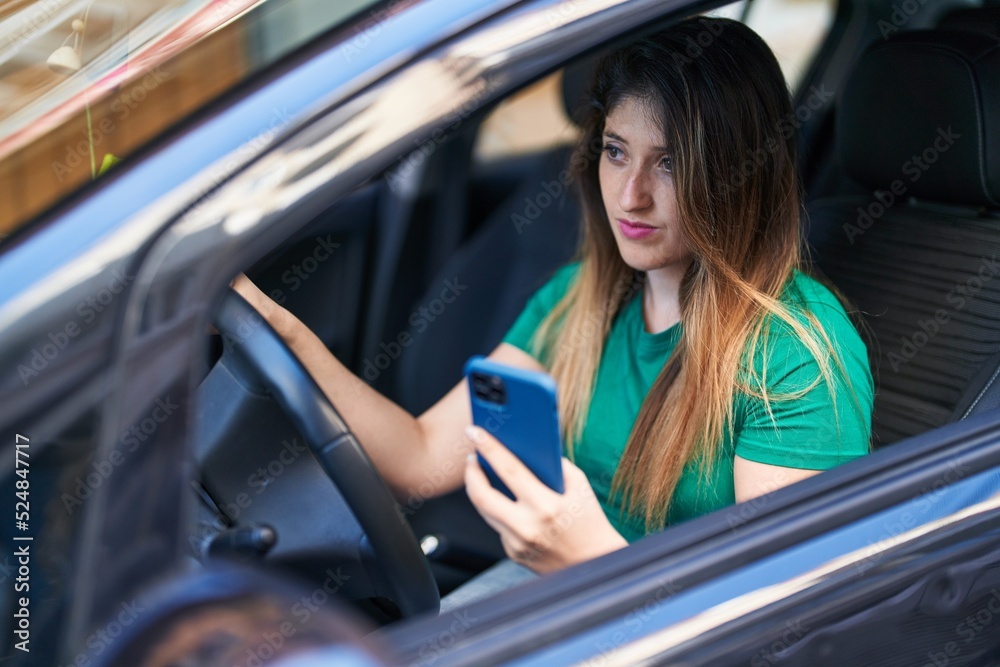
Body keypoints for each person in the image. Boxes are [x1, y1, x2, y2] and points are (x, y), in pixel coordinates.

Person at [234, 16, 873, 594]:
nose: (631, 196)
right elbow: (422, 458)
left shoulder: (798, 354)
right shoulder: (577, 300)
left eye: (671, 163)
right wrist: (288, 337)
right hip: (559, 597)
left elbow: (781, 620)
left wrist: (588, 558)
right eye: (616, 152)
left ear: (736, 173)